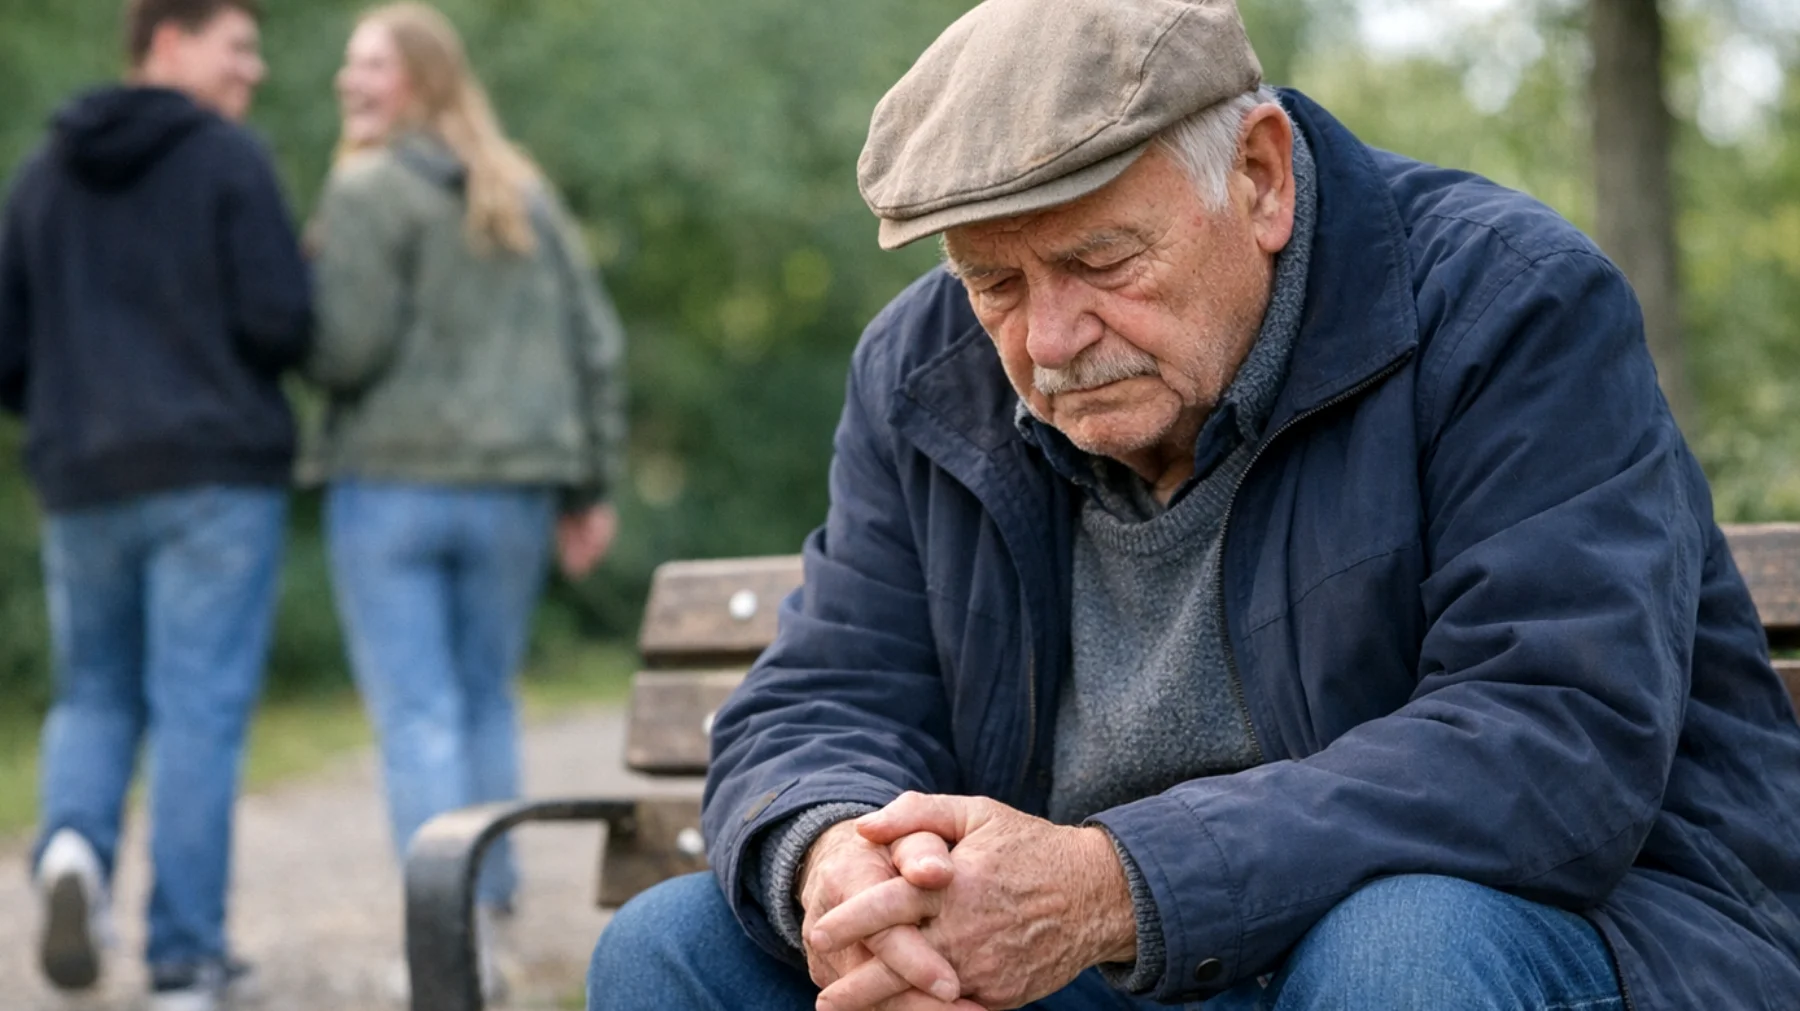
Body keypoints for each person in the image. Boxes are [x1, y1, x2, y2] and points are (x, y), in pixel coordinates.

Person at [586, 1, 1800, 1009]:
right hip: (1112, 963)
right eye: (995, 282)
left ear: (1261, 179)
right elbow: (826, 693)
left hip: (1542, 940)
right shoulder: (922, 375)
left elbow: (1552, 743)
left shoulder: (1513, 308)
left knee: (1400, 952)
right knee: (674, 952)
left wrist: (1114, 882)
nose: (1050, 338)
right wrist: (838, 855)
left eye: (1104, 263)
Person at [304, 1, 626, 993]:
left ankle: (446, 943)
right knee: (483, 700)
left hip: (394, 485)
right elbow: (595, 342)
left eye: (370, 66)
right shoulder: (522, 192)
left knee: (417, 715)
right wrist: (591, 482)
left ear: (421, 80)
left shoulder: (366, 190)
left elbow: (342, 352)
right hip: (516, 490)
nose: (349, 82)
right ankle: (485, 904)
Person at [0, 0, 311, 1007]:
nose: (253, 70)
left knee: (93, 691)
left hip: (81, 478)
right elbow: (281, 325)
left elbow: (7, 354)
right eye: (238, 46)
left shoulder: (41, 175)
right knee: (197, 715)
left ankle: (73, 859)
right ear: (168, 42)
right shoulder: (227, 159)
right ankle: (183, 959)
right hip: (211, 477)